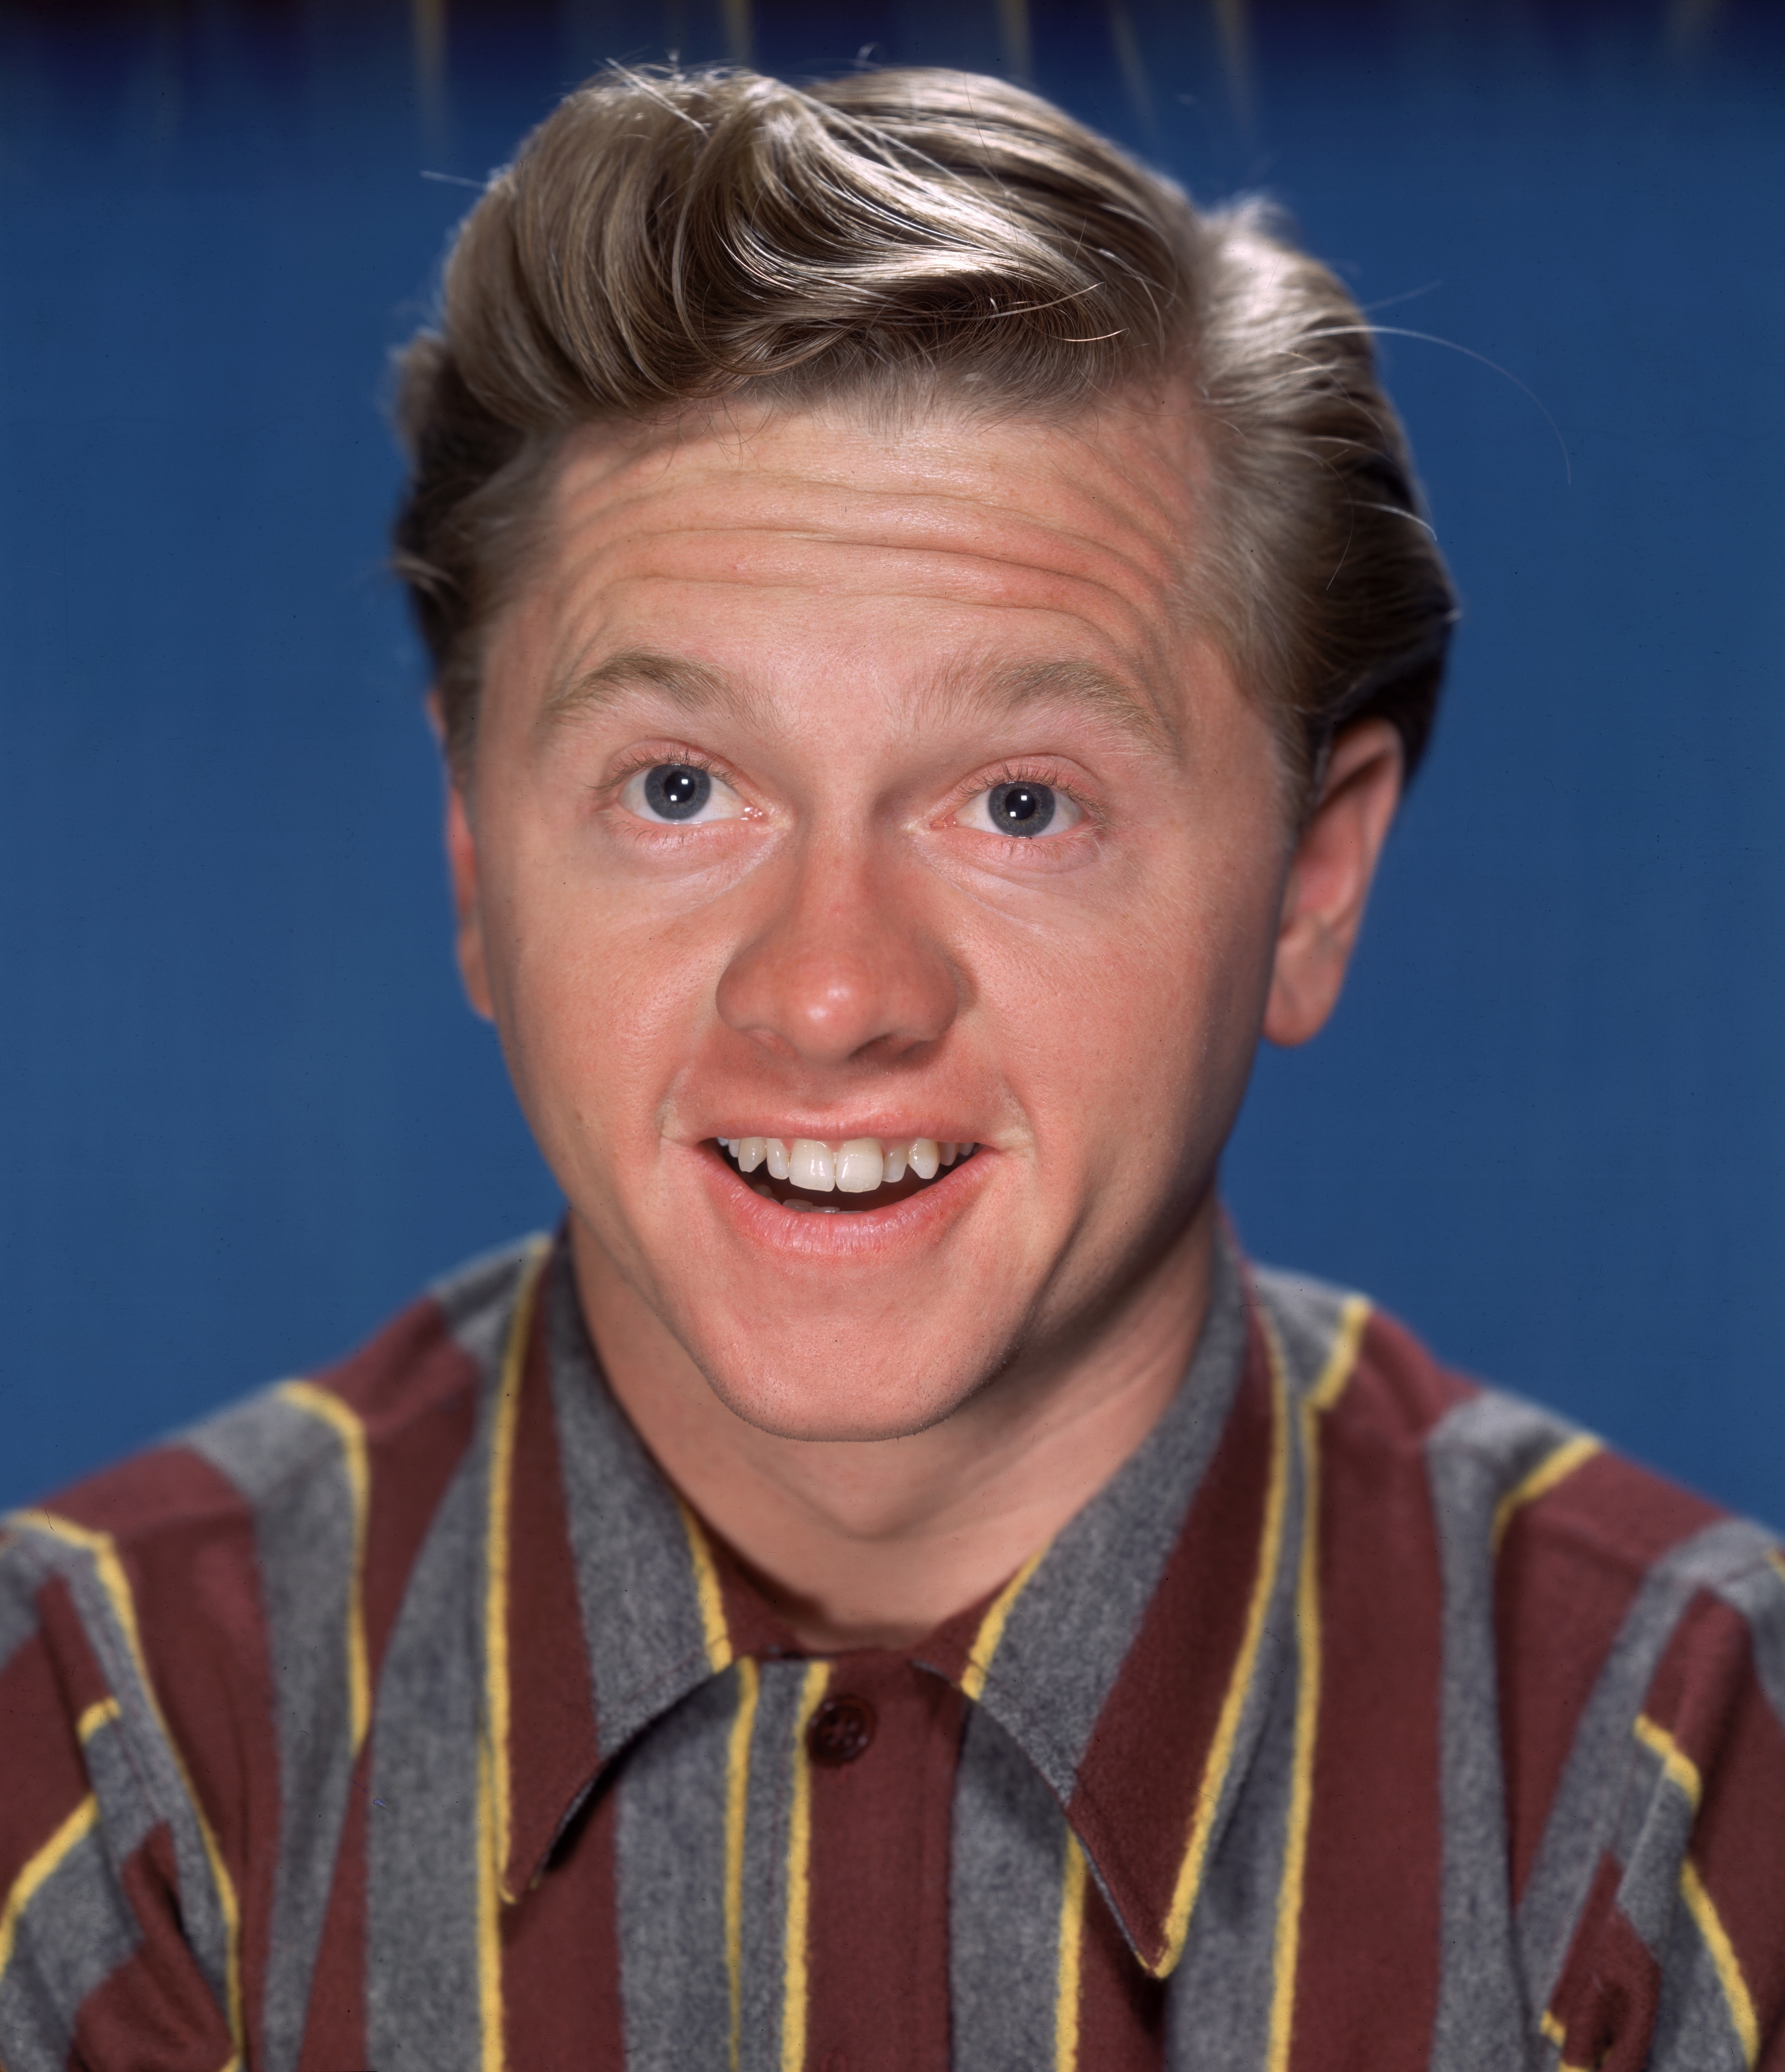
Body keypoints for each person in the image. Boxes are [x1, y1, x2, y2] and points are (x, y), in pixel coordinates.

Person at [2, 62, 1780, 2072]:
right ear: (480, 866)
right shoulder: (92, 1753)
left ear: (1309, 884)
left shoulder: (1696, 1783)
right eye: (678, 788)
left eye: (1020, 804)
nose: (830, 995)